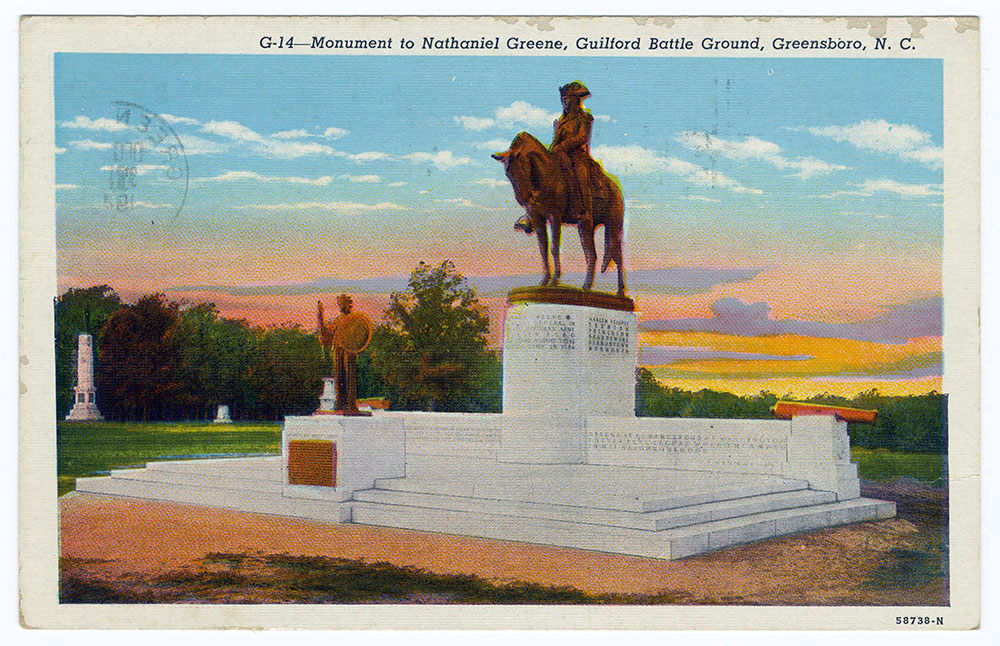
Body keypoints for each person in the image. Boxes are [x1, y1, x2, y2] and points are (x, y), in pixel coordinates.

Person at [550, 81, 594, 223]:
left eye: (567, 98)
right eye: (563, 99)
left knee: (580, 175)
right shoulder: (560, 121)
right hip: (560, 154)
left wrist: (563, 146)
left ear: (575, 100)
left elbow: (582, 137)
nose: (565, 102)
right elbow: (556, 140)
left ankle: (579, 207)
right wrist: (552, 150)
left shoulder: (584, 117)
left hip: (577, 155)